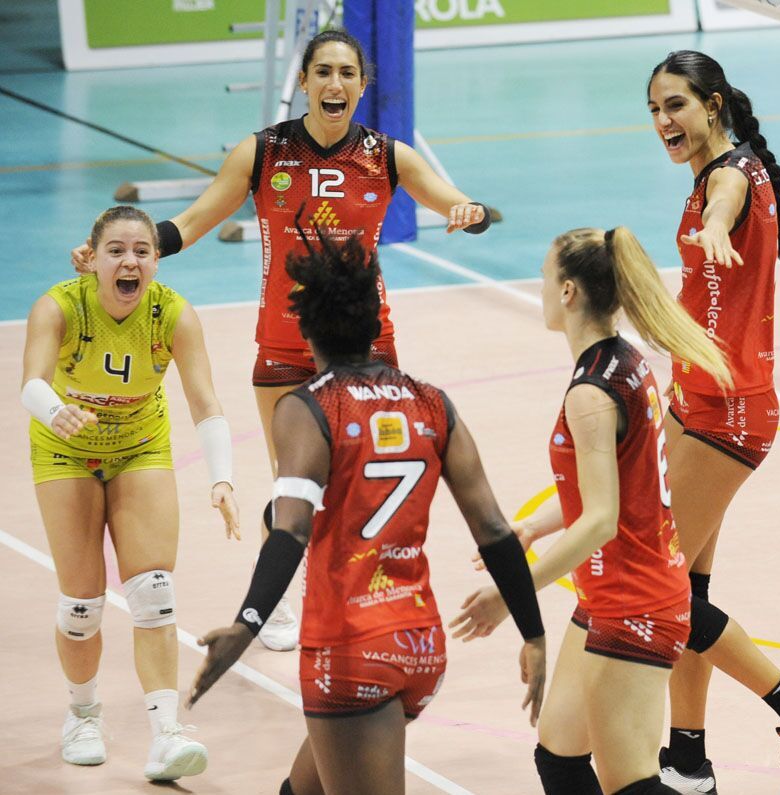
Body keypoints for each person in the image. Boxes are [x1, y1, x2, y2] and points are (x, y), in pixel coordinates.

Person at [71, 28, 492, 653]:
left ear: (362, 86)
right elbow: (191, 221)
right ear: (303, 82)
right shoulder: (263, 153)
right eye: (322, 72)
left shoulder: (388, 156)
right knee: (295, 482)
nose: (335, 84)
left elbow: (458, 200)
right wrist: (126, 254)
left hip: (364, 345)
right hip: (284, 344)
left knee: (361, 481)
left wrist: (468, 211)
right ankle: (287, 599)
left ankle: (356, 594)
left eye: (347, 74)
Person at [186, 224, 545, 795]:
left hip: (350, 649)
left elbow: (290, 530)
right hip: (421, 645)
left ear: (306, 329)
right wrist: (534, 634)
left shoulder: (309, 407)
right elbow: (495, 529)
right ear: (377, 323)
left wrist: (246, 624)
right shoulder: (432, 403)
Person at [452, 226, 739, 795]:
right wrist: (533, 525)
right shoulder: (624, 362)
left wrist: (513, 591)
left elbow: (602, 518)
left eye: (543, 276)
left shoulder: (591, 392)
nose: (539, 286)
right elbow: (613, 487)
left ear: (567, 292)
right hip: (612, 593)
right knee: (559, 757)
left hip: (636, 600)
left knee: (631, 784)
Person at [647, 50, 780, 794]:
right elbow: (703, 289)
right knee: (689, 590)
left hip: (726, 414)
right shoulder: (716, 171)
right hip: (692, 397)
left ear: (714, 103)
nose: (665, 121)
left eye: (677, 105)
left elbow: (727, 204)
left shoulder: (729, 177)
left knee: (655, 586)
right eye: (655, 110)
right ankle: (689, 758)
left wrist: (717, 226)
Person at [23, 206, 240, 781]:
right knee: (81, 606)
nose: (130, 261)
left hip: (141, 446)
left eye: (142, 251)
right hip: (65, 446)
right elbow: (32, 383)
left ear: (156, 261)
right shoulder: (59, 306)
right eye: (116, 249)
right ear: (90, 258)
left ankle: (166, 733)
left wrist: (221, 477)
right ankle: (83, 714)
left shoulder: (173, 315)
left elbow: (205, 402)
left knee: (154, 592)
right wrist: (56, 411)